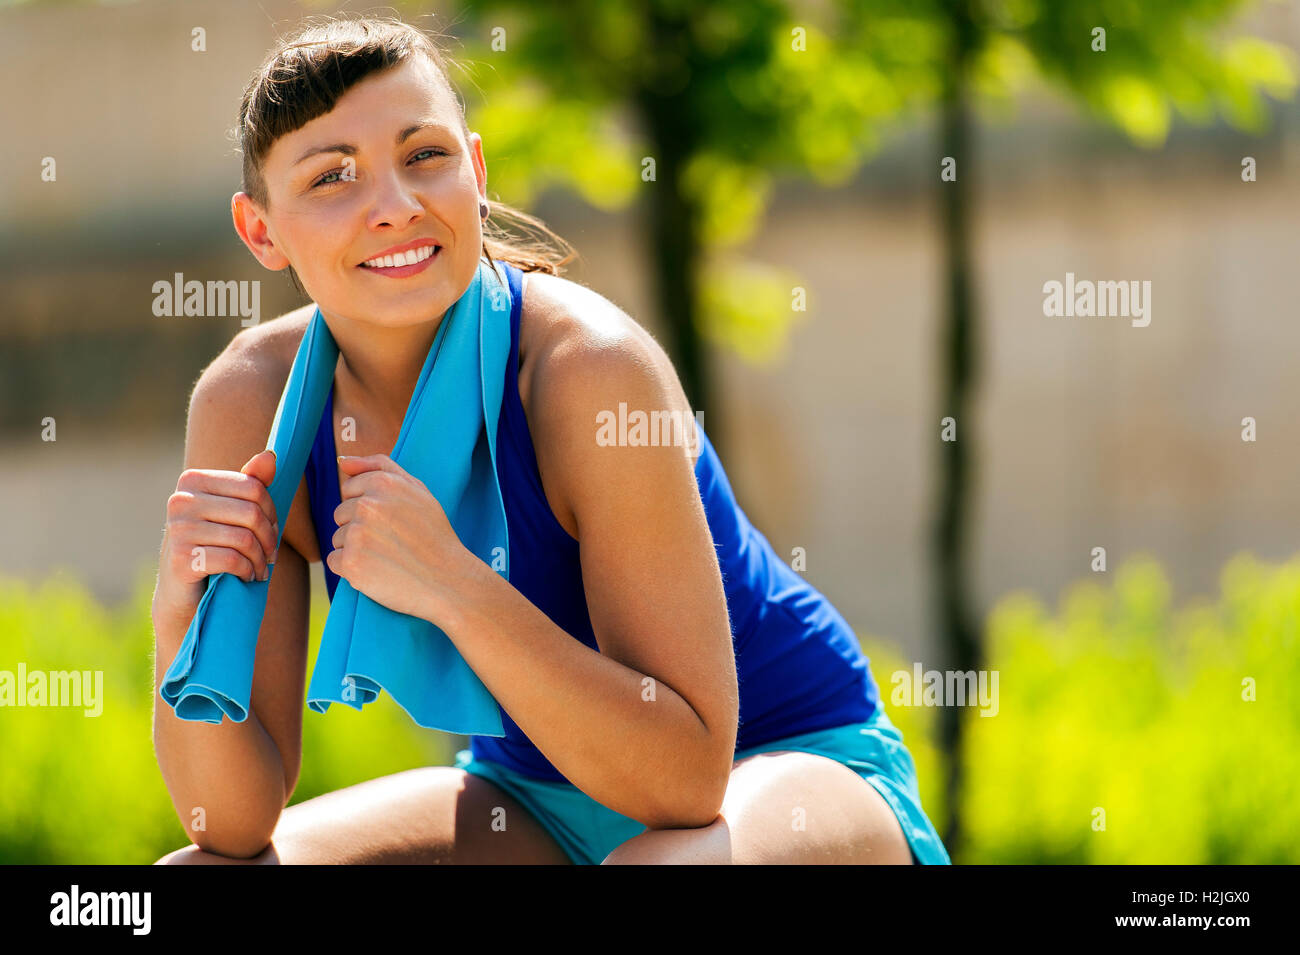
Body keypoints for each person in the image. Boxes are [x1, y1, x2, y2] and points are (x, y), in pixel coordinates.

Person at [151, 15, 950, 865]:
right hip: (531, 801)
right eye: (332, 178)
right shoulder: (252, 403)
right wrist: (177, 618)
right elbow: (228, 822)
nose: (395, 206)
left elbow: (686, 782)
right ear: (261, 230)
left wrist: (455, 586)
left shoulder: (588, 372)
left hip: (785, 765)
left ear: (478, 171)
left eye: (425, 156)